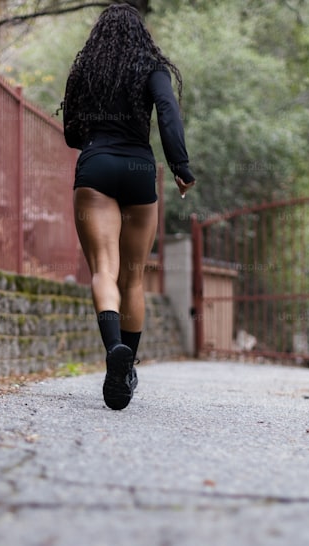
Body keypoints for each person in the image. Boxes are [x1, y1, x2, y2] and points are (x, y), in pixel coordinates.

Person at [59, 3, 195, 410]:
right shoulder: (153, 68)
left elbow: (70, 132)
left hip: (96, 166)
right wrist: (180, 166)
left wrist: (96, 142)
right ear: (142, 34)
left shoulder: (86, 70)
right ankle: (127, 367)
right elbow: (168, 111)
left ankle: (113, 348)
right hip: (139, 168)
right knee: (133, 279)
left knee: (104, 269)